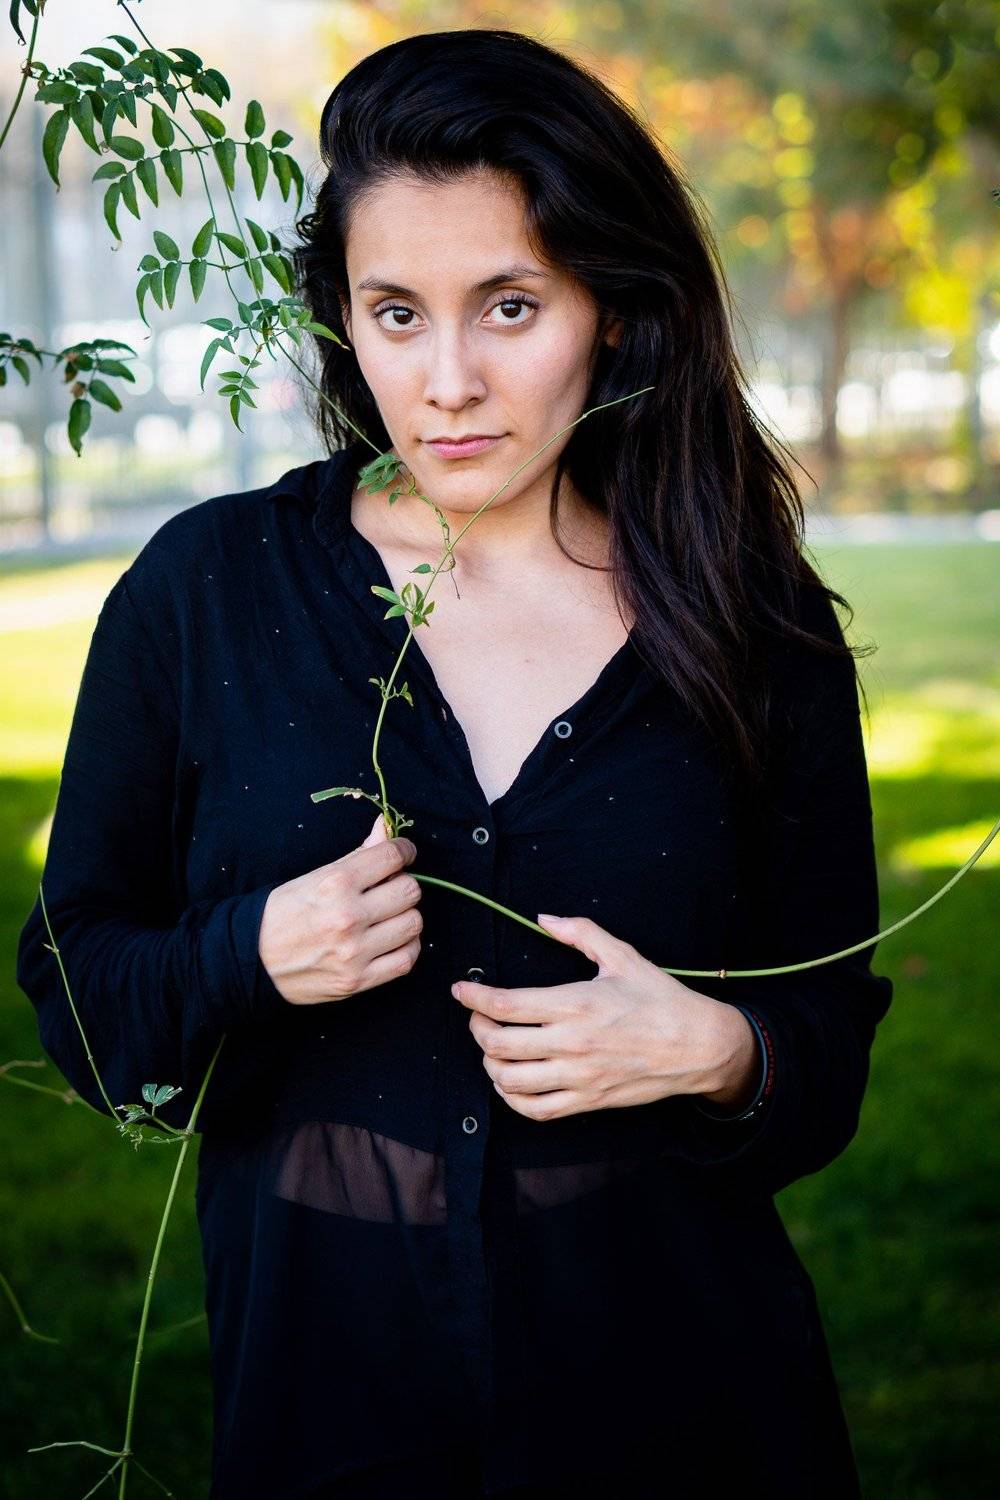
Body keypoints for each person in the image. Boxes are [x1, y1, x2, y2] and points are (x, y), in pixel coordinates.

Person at [16, 27, 894, 1500]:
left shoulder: (753, 622)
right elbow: (80, 996)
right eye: (396, 314)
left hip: (687, 1420)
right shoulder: (205, 592)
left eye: (509, 306)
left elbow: (829, 1048)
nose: (449, 382)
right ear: (344, 321)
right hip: (329, 1425)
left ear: (612, 309)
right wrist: (246, 955)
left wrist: (721, 1053)